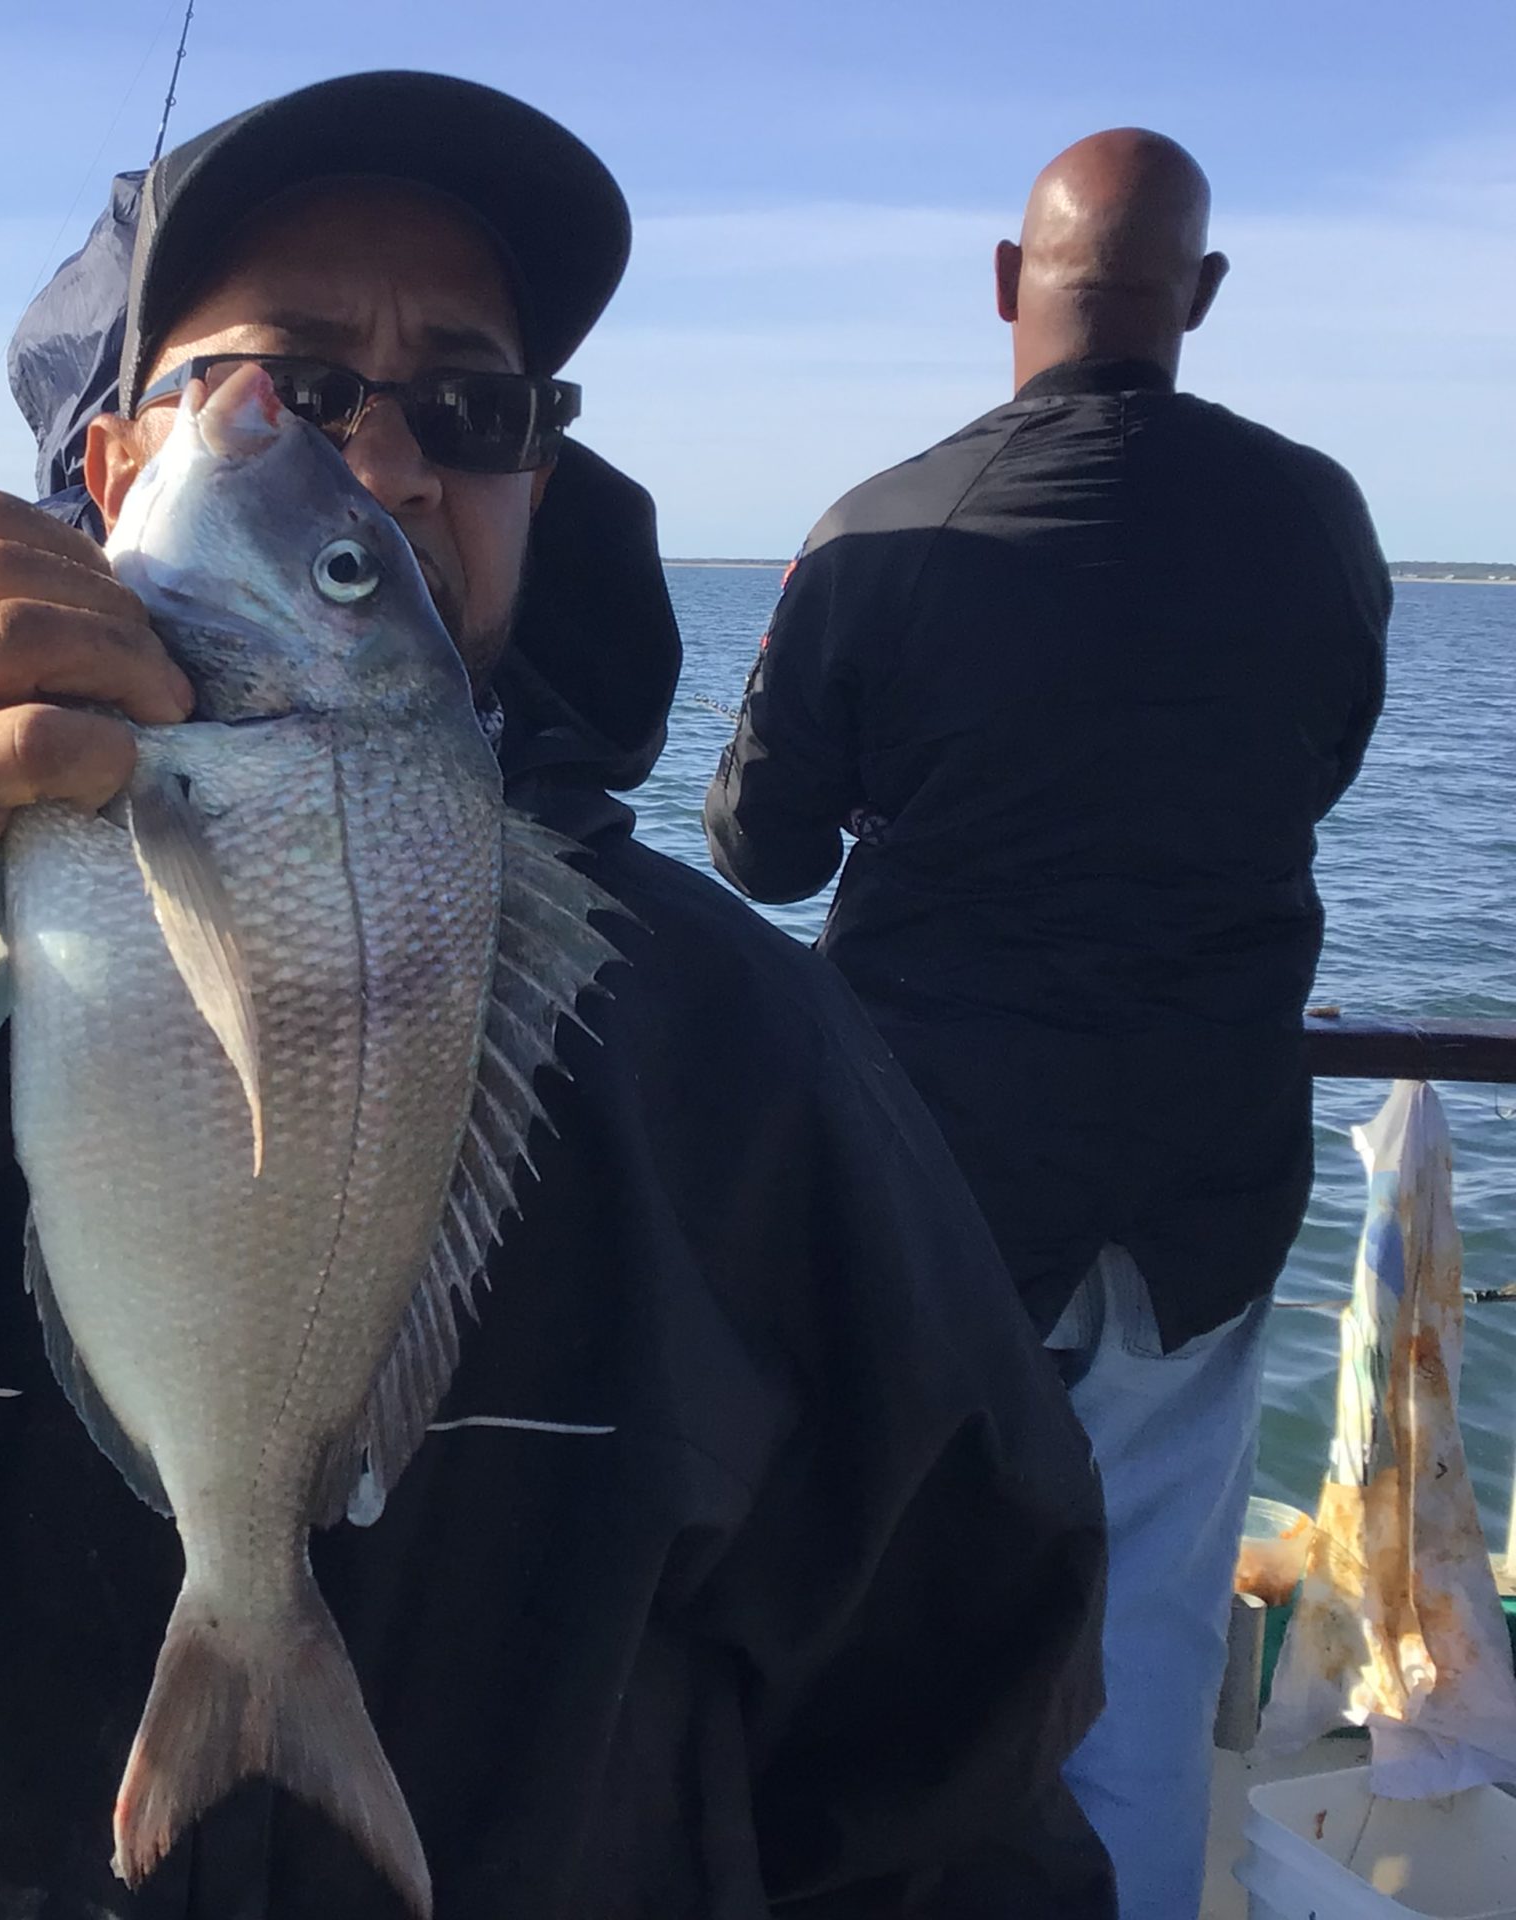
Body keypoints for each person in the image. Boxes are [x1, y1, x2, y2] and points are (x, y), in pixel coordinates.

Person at [0, 73, 1113, 1918]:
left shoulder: (748, 1056)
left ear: (536, 483)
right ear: (108, 476)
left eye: (472, 409)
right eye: (291, 386)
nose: (385, 464)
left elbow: (959, 1760)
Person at [705, 129, 1389, 1919]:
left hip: (927, 1190)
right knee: (1146, 1654)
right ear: (1200, 298)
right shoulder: (1319, 519)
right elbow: (1324, 763)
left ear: (1010, 282)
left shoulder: (879, 528)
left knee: (883, 1633)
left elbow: (762, 854)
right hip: (1202, 1181)